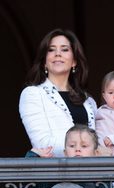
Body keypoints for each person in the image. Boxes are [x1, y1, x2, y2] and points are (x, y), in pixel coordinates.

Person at [19, 28, 97, 157]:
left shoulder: (88, 100)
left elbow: (99, 138)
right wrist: (93, 149)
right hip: (57, 173)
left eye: (65, 49)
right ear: (44, 61)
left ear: (74, 61)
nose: (58, 53)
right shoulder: (32, 94)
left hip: (90, 174)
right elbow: (43, 144)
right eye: (51, 49)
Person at [26, 124, 111, 188]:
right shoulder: (59, 173)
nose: (77, 149)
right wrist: (33, 154)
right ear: (65, 153)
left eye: (84, 146)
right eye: (72, 146)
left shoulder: (99, 175)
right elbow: (29, 185)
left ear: (95, 153)